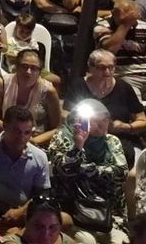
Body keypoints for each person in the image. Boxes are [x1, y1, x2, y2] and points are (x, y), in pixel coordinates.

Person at [47, 100, 128, 233]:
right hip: (73, 211)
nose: (101, 124)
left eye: (105, 119)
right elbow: (64, 170)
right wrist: (78, 145)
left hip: (109, 212)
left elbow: (121, 173)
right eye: (94, 119)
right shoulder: (63, 138)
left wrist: (90, 170)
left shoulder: (112, 141)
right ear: (79, 120)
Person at [0, 106, 50, 227]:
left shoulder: (39, 156)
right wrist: (6, 210)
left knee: (64, 220)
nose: (21, 138)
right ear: (4, 126)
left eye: (27, 132)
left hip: (24, 213)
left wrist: (20, 212)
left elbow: (42, 193)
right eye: (16, 131)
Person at [0, 49, 62, 146]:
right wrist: (14, 134)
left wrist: (31, 141)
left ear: (40, 71)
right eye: (24, 66)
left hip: (36, 139)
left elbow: (56, 128)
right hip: (5, 133)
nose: (28, 72)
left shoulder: (49, 91)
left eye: (34, 68)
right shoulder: (1, 84)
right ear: (16, 67)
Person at [0, 198, 76, 244]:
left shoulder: (64, 239)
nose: (45, 235)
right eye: (38, 226)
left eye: (52, 227)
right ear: (26, 222)